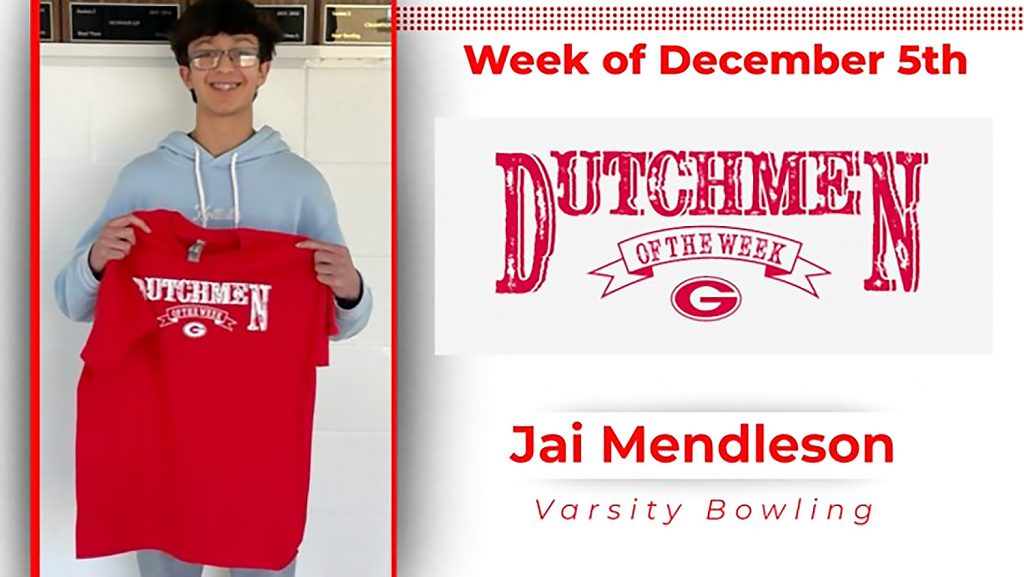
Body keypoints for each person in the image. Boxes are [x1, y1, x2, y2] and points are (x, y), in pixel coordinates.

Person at [52, 1, 373, 575]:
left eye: (242, 51)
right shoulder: (143, 178)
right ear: (185, 72)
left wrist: (350, 290)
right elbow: (73, 302)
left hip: (260, 439)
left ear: (265, 68)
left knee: (265, 561)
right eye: (206, 53)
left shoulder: (301, 183)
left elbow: (342, 321)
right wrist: (96, 262)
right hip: (160, 434)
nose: (225, 65)